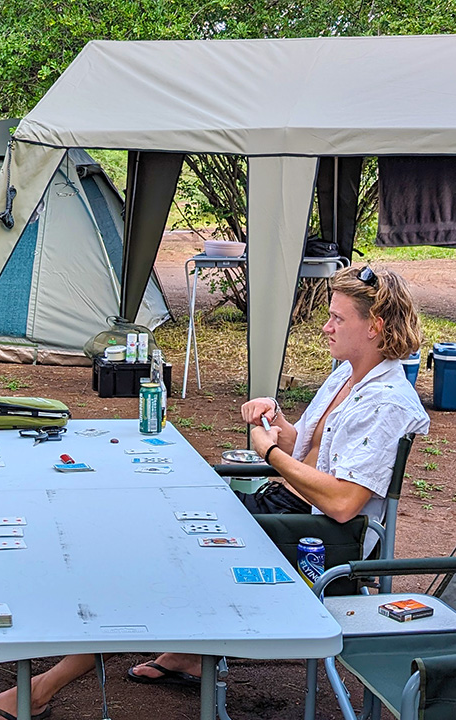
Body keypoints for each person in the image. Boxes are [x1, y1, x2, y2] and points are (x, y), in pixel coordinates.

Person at [128, 263, 431, 685]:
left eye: (337, 319)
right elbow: (310, 451)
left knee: (175, 532)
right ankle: (191, 649)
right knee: (170, 507)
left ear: (374, 327)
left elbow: (344, 503)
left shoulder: (388, 403)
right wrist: (278, 426)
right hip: (290, 507)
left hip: (324, 536)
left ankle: (120, 651)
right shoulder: (346, 374)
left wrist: (269, 451)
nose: (326, 328)